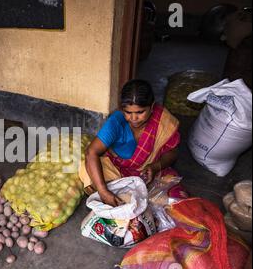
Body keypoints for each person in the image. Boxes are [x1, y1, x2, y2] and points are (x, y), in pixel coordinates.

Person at [80, 79, 188, 207]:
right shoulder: (116, 122)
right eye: (128, 112)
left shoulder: (162, 120)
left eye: (140, 112)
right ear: (122, 109)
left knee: (176, 198)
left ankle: (128, 198)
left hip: (150, 173)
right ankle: (125, 197)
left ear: (152, 107)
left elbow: (172, 152)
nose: (134, 118)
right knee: (87, 171)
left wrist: (156, 166)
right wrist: (103, 191)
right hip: (118, 170)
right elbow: (91, 152)